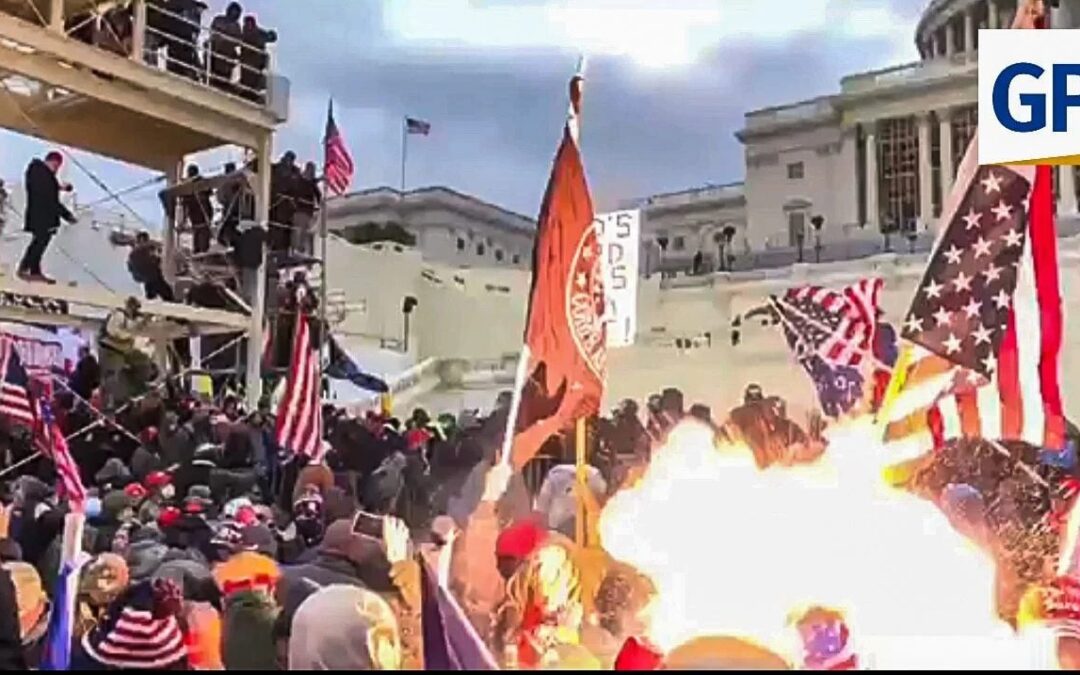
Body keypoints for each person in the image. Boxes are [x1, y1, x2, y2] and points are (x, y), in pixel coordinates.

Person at [18, 151, 75, 284]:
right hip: (42, 215)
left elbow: (46, 188)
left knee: (40, 241)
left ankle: (33, 270)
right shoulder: (41, 173)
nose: (57, 169)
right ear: (53, 162)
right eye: (56, 166)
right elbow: (50, 198)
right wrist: (67, 215)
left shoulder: (39, 173)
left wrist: (60, 187)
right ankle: (26, 269)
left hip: (40, 214)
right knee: (40, 242)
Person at [126, 232, 175, 302]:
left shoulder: (132, 254)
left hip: (146, 281)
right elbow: (155, 261)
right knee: (169, 296)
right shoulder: (147, 249)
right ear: (143, 239)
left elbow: (130, 268)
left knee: (150, 298)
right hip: (155, 279)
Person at [238, 14, 277, 102]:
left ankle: (253, 92)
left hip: (255, 61)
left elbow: (270, 37)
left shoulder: (258, 33)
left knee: (253, 79)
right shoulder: (246, 32)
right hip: (247, 60)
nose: (247, 25)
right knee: (247, 78)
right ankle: (249, 92)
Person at [208, 2, 242, 91]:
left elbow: (238, 41)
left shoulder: (236, 26)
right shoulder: (219, 19)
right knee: (213, 76)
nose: (234, 13)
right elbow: (212, 32)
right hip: (215, 52)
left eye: (236, 12)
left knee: (223, 80)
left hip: (227, 56)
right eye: (233, 11)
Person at [181, 164, 214, 254]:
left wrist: (183, 220)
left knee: (200, 235)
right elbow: (184, 205)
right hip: (201, 216)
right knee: (200, 235)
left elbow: (184, 205)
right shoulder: (190, 185)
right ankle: (200, 252)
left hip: (201, 216)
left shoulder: (187, 186)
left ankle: (199, 252)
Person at [292, 162, 321, 254]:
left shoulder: (311, 183)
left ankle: (302, 250)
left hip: (308, 212)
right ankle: (296, 250)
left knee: (305, 232)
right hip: (300, 210)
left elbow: (318, 196)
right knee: (298, 231)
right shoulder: (300, 180)